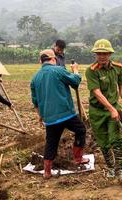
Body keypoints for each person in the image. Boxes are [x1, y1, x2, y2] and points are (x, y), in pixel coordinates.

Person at [30, 49, 89, 179]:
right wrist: (75, 70)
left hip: (50, 118)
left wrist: (40, 116)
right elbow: (75, 82)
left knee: (51, 142)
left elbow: (35, 102)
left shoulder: (35, 78)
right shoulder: (58, 70)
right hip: (66, 114)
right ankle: (78, 158)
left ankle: (47, 171)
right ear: (54, 59)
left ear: (40, 61)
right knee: (81, 130)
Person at [85, 39, 122, 179]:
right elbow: (97, 92)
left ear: (110, 54)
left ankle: (120, 169)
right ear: (95, 54)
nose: (102, 56)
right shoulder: (91, 71)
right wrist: (110, 108)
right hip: (97, 111)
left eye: (105, 53)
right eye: (99, 53)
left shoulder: (117, 67)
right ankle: (111, 167)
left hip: (114, 109)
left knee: (116, 138)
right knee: (103, 141)